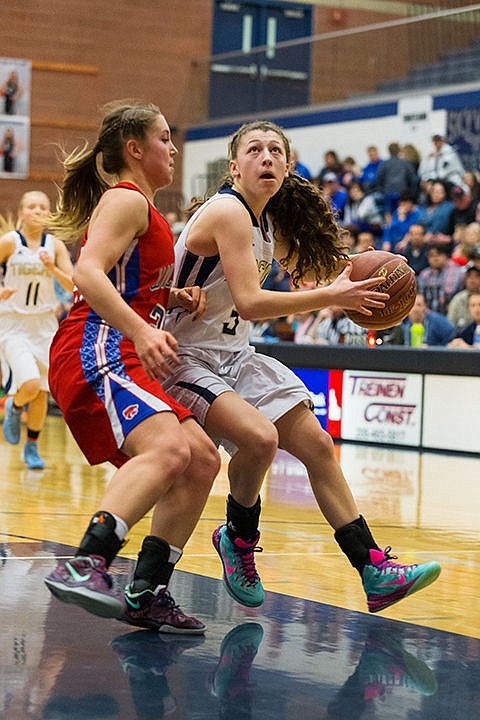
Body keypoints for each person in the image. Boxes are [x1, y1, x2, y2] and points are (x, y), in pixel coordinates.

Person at [163, 119, 441, 615]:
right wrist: (334, 295)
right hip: (184, 358)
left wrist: (374, 273)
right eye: (255, 149)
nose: (266, 156)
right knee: (261, 440)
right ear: (234, 167)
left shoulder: (270, 226)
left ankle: (373, 568)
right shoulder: (228, 211)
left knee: (316, 444)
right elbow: (249, 302)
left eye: (276, 150)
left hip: (234, 358)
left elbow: (328, 270)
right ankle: (239, 540)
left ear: (288, 167)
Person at [43, 100, 221, 633]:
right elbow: (89, 274)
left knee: (200, 459)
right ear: (135, 149)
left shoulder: (141, 206)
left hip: (117, 343)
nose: (173, 147)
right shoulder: (125, 199)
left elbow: (125, 281)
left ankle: (147, 591)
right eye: (164, 138)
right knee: (168, 450)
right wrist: (143, 328)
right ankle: (85, 561)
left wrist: (170, 296)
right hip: (96, 343)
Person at [0, 191, 74, 469]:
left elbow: (72, 285)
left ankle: (31, 447)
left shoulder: (54, 245)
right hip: (14, 324)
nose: (37, 211)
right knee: (30, 383)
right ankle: (15, 406)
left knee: (43, 392)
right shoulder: (9, 242)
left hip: (45, 325)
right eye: (31, 206)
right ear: (21, 213)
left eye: (43, 207)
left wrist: (52, 268)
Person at [417, 243, 464, 315]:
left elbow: (447, 295)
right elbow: (420, 296)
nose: (435, 259)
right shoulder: (425, 274)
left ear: (446, 256)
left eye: (438, 255)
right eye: (431, 256)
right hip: (428, 316)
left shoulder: (457, 271)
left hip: (451, 314)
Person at [447, 266, 480, 332]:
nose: (472, 280)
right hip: (460, 336)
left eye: (476, 277)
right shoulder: (458, 299)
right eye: (469, 277)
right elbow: (450, 323)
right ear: (465, 280)